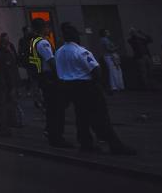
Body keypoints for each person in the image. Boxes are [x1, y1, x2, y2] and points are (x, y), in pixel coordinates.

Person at [56, 23, 134, 155]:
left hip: (70, 87)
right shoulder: (81, 51)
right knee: (101, 116)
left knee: (81, 117)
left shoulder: (59, 52)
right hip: (87, 86)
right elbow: (95, 69)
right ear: (75, 37)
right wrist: (101, 85)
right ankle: (114, 144)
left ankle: (85, 143)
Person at [29, 18, 68, 147]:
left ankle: (52, 133)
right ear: (43, 28)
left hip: (42, 76)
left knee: (52, 107)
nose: (49, 29)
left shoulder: (34, 41)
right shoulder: (43, 43)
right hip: (49, 77)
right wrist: (60, 75)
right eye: (47, 27)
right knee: (55, 107)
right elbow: (51, 60)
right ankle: (56, 135)